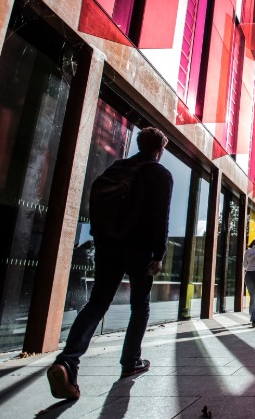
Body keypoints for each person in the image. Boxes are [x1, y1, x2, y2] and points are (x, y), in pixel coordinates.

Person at [47, 127, 173, 400]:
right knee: (140, 306)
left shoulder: (119, 167)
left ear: (139, 145)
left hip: (108, 246)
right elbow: (160, 217)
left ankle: (67, 361)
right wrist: (159, 254)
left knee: (97, 303)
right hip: (140, 248)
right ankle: (131, 361)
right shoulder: (159, 173)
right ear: (160, 150)